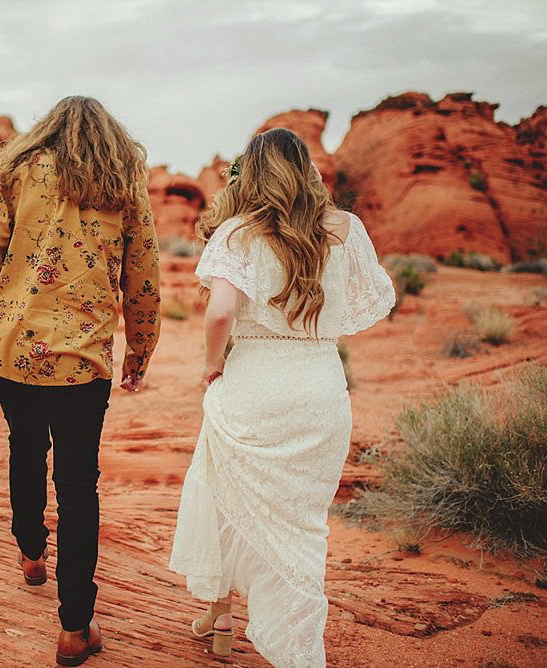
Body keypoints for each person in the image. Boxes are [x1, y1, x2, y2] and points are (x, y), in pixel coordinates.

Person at [0, 95, 161, 666]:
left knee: (23, 447)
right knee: (78, 485)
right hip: (83, 363)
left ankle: (30, 552)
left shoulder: (16, 175)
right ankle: (74, 625)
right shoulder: (121, 182)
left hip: (14, 353)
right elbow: (143, 272)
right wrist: (141, 346)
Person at [168, 128, 395, 667]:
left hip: (253, 384)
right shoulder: (346, 229)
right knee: (303, 524)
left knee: (222, 493)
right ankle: (277, 636)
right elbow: (372, 300)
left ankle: (222, 619)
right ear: (307, 169)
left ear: (252, 171)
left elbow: (220, 313)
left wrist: (211, 364)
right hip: (320, 388)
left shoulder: (238, 232)